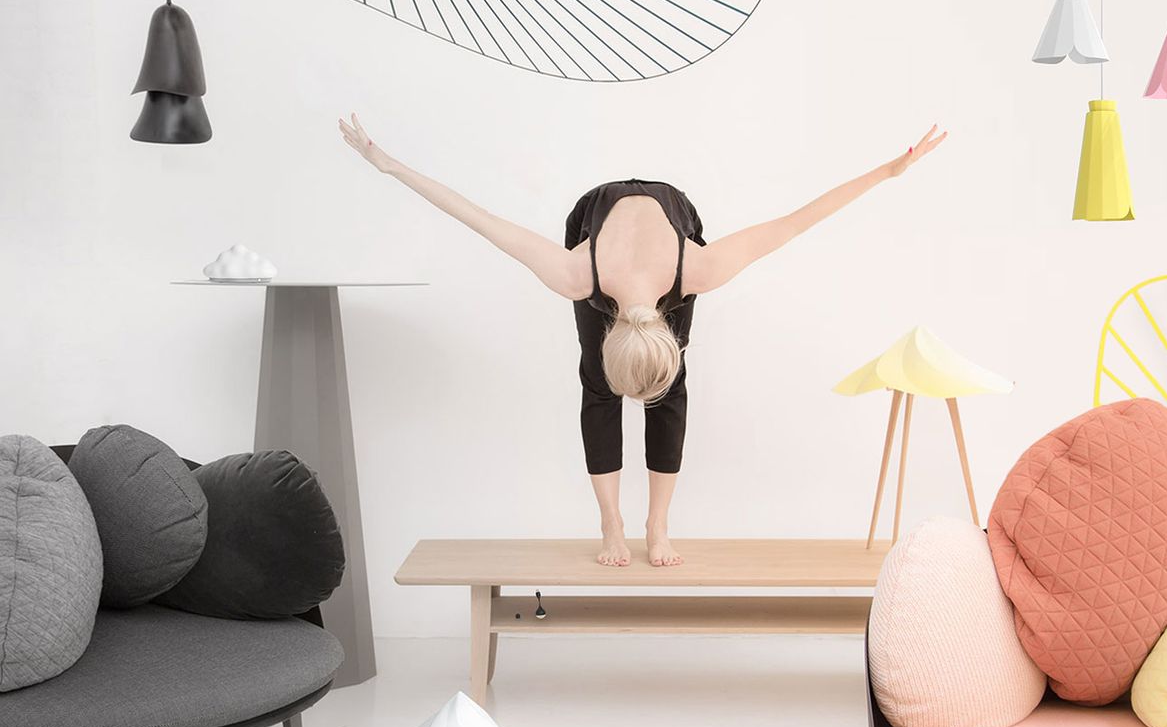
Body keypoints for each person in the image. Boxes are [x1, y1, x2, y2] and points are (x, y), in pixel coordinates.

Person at [338, 115, 946, 567]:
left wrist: (889, 172)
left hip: (668, 221)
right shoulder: (576, 273)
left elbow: (795, 222)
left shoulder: (697, 270)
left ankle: (656, 527)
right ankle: (611, 524)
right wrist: (388, 164)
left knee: (668, 395)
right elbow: (480, 219)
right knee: (596, 389)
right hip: (595, 221)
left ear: (667, 327)